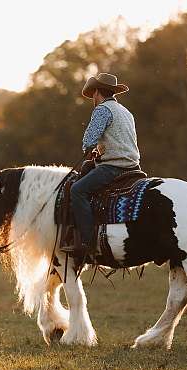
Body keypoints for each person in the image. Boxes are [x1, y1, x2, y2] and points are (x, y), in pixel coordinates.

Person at [69, 72, 141, 263]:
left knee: (77, 190)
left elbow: (89, 140)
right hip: (133, 166)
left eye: (93, 93)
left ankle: (87, 242)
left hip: (113, 167)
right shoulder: (125, 111)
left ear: (97, 92)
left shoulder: (102, 110)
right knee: (86, 169)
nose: (93, 97)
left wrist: (89, 149)